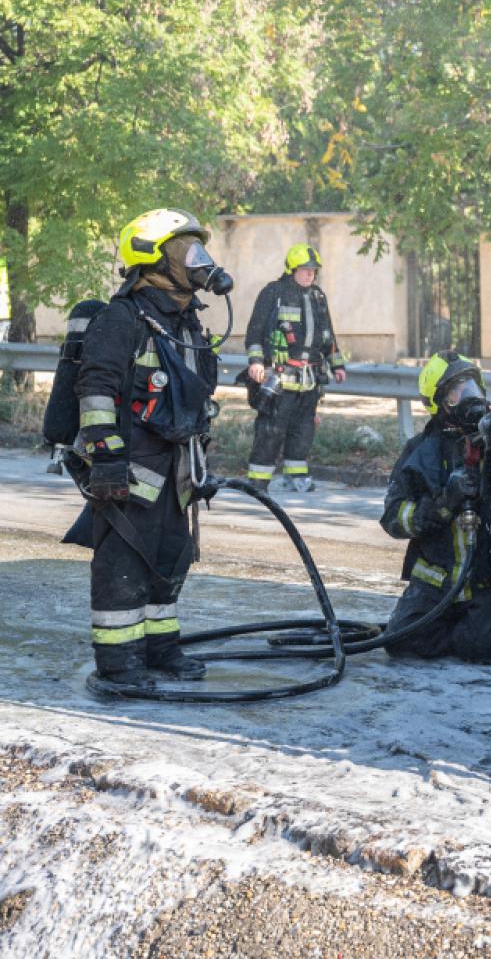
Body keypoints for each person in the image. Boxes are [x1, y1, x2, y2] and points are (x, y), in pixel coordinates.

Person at [70, 209, 231, 690]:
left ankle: (160, 650)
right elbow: (95, 387)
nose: (199, 262)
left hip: (176, 466)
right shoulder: (122, 319)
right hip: (129, 468)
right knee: (124, 565)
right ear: (153, 258)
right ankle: (119, 666)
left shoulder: (185, 323)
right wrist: (107, 456)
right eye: (187, 251)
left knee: (168, 560)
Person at [378, 351, 491, 663]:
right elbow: (394, 518)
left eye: (472, 387)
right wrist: (443, 504)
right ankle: (466, 623)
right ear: (437, 404)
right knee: (402, 643)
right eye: (455, 392)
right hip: (442, 579)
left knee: (480, 649)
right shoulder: (420, 453)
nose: (468, 398)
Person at [243, 243, 348, 492]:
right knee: (271, 429)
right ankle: (258, 481)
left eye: (313, 270)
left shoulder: (318, 296)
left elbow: (328, 336)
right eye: (304, 269)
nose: (309, 274)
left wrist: (338, 366)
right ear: (292, 269)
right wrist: (257, 362)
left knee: (303, 430)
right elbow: (255, 331)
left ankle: (296, 477)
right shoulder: (273, 293)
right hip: (279, 377)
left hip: (309, 378)